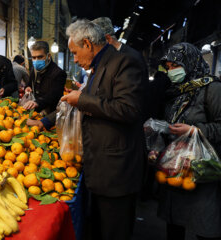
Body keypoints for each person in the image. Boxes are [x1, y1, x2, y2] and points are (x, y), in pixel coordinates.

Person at [29, 19, 146, 240]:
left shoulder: (124, 63)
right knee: (99, 228)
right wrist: (47, 122)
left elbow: (129, 109)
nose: (73, 58)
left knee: (114, 230)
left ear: (88, 44)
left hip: (116, 171)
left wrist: (83, 100)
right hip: (100, 167)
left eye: (74, 52)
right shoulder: (98, 67)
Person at [157, 42, 221, 240]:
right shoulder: (176, 91)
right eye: (168, 67)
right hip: (177, 167)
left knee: (204, 223)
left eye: (175, 65)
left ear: (190, 62)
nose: (171, 71)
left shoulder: (213, 88)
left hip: (202, 169)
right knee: (175, 224)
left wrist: (194, 130)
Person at [23, 41, 66, 114]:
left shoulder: (59, 73)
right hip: (35, 112)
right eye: (34, 57)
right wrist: (27, 88)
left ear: (48, 56)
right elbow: (29, 84)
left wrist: (37, 102)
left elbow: (54, 95)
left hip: (51, 114)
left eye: (40, 57)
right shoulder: (34, 70)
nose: (36, 60)